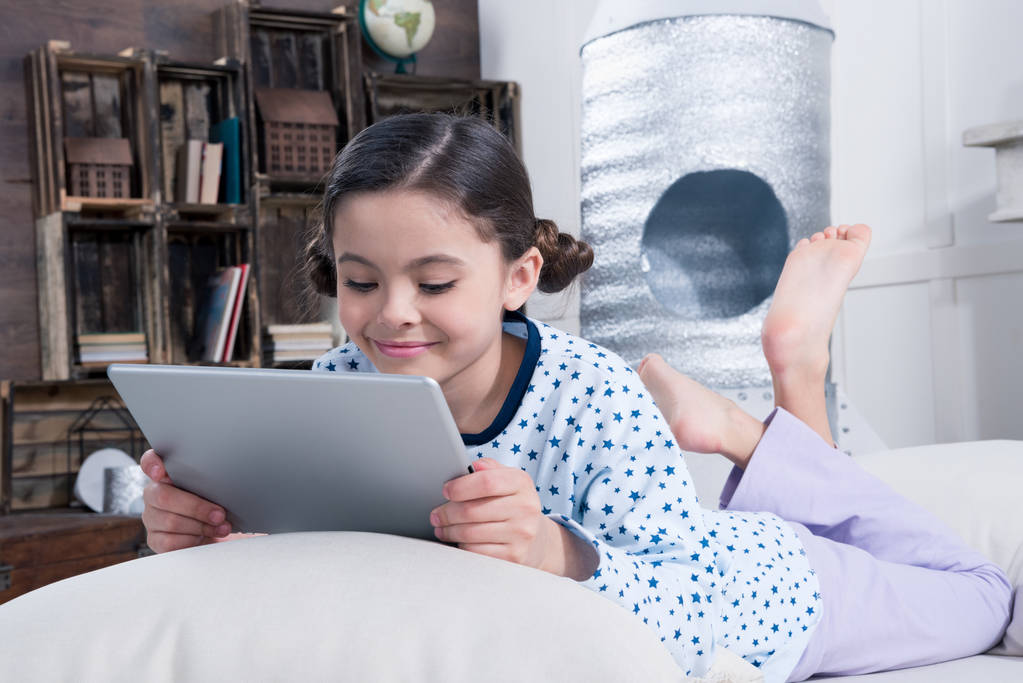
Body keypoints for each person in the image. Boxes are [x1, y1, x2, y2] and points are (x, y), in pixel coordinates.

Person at [139, 113, 1011, 682]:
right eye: (360, 280)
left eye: (435, 281)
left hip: (762, 596)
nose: (391, 315)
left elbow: (680, 603)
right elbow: (329, 564)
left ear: (518, 277)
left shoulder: (588, 391)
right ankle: (778, 418)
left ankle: (775, 390)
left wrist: (564, 552)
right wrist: (210, 529)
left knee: (982, 594)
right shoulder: (337, 383)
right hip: (712, 550)